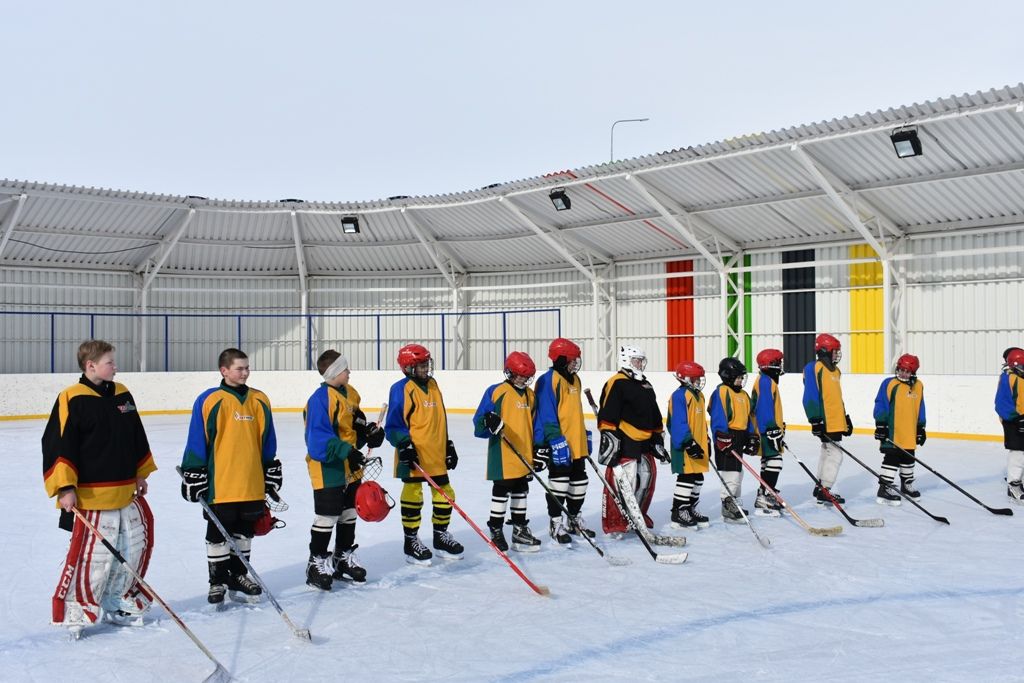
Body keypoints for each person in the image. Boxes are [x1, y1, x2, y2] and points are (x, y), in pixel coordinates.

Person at [42, 340, 157, 636]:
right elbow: (58, 444)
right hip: (91, 496)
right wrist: (65, 487)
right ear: (91, 365)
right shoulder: (72, 398)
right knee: (93, 558)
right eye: (110, 362)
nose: (115, 367)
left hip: (124, 491)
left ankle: (116, 602)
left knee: (128, 551)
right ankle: (77, 612)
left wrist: (139, 473)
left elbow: (136, 435)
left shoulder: (122, 394)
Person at [180, 348, 280, 605]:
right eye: (239, 368)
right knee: (217, 533)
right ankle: (217, 582)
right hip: (220, 484)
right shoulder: (209, 400)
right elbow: (196, 440)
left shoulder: (260, 399)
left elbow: (268, 439)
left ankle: (238, 575)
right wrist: (194, 470)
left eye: (247, 368)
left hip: (251, 482)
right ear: (224, 370)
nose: (245, 372)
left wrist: (270, 468)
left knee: (244, 533)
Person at [303, 350, 386, 590]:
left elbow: (356, 425)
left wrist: (371, 433)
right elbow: (317, 438)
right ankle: (315, 562)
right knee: (327, 516)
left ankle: (342, 558)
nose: (349, 372)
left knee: (349, 512)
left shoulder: (351, 394)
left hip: (351, 464)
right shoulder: (320, 399)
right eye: (345, 369)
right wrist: (346, 451)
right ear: (333, 372)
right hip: (328, 466)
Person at [384, 344, 463, 565]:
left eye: (427, 364)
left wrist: (447, 444)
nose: (426, 368)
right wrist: (404, 445)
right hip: (414, 455)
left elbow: (440, 418)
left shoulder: (434, 385)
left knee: (445, 493)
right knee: (413, 493)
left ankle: (441, 536)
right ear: (408, 368)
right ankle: (411, 541)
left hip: (436, 454)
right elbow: (393, 426)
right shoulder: (401, 388)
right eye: (420, 365)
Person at [472, 351, 542, 552]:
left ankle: (520, 530)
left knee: (521, 490)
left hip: (524, 453)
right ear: (509, 373)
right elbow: (478, 424)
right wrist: (487, 422)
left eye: (526, 377)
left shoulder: (530, 395)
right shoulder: (496, 391)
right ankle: (496, 528)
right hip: (502, 453)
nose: (523, 380)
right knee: (501, 490)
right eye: (519, 375)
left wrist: (539, 448)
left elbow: (535, 424)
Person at [597, 346, 669, 535]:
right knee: (624, 483)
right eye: (636, 360)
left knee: (646, 479)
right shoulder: (617, 382)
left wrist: (657, 438)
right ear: (626, 361)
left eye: (641, 360)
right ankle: (616, 522)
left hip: (645, 442)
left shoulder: (645, 384)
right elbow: (608, 415)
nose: (640, 364)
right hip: (626, 440)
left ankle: (637, 514)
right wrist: (609, 440)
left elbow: (654, 413)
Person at [533, 337, 593, 546]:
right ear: (559, 359)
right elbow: (546, 414)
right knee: (559, 484)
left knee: (579, 483)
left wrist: (584, 434)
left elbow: (574, 412)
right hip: (559, 444)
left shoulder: (575, 380)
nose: (575, 363)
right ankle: (556, 522)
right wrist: (555, 440)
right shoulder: (547, 380)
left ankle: (573, 520)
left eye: (576, 359)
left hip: (576, 444)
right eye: (571, 359)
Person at [802, 333, 853, 504]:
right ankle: (826, 489)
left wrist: (845, 418)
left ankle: (821, 487)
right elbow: (810, 396)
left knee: (827, 451)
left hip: (836, 421)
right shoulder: (814, 368)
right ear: (824, 351)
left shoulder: (836, 371)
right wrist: (815, 420)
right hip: (825, 421)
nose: (837, 354)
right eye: (834, 351)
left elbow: (837, 397)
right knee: (835, 454)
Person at [873, 354, 927, 505]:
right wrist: (881, 425)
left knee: (909, 459)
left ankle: (906, 485)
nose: (903, 373)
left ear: (913, 372)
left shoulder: (919, 386)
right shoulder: (889, 383)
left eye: (907, 371)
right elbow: (881, 404)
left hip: (909, 432)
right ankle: (884, 488)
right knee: (892, 458)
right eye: (901, 370)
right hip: (892, 432)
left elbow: (920, 408)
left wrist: (920, 428)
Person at [709, 357, 757, 523]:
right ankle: (727, 504)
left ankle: (734, 501)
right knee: (732, 472)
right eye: (738, 377)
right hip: (727, 436)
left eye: (742, 377)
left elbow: (749, 417)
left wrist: (751, 436)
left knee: (738, 472)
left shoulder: (743, 395)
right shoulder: (721, 392)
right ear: (727, 375)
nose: (741, 380)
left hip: (740, 436)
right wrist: (722, 436)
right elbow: (717, 415)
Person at [666, 361, 710, 529]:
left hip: (698, 445)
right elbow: (678, 423)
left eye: (699, 379)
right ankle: (679, 511)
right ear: (684, 379)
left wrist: (706, 439)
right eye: (695, 379)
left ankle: (690, 509)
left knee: (698, 477)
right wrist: (688, 442)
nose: (699, 382)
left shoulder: (699, 396)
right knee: (686, 477)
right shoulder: (679, 395)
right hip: (685, 446)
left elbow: (701, 422)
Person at [751, 349, 786, 517]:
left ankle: (764, 495)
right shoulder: (765, 382)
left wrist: (779, 427)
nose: (780, 366)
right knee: (775, 461)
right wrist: (772, 429)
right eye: (778, 362)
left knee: (769, 462)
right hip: (766, 430)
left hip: (769, 429)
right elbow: (764, 409)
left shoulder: (767, 381)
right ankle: (765, 495)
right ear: (770, 364)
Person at [995, 347, 1024, 504]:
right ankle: (1014, 485)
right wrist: (1016, 418)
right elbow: (1001, 403)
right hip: (1012, 422)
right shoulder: (1007, 378)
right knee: (1018, 452)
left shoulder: (1021, 377)